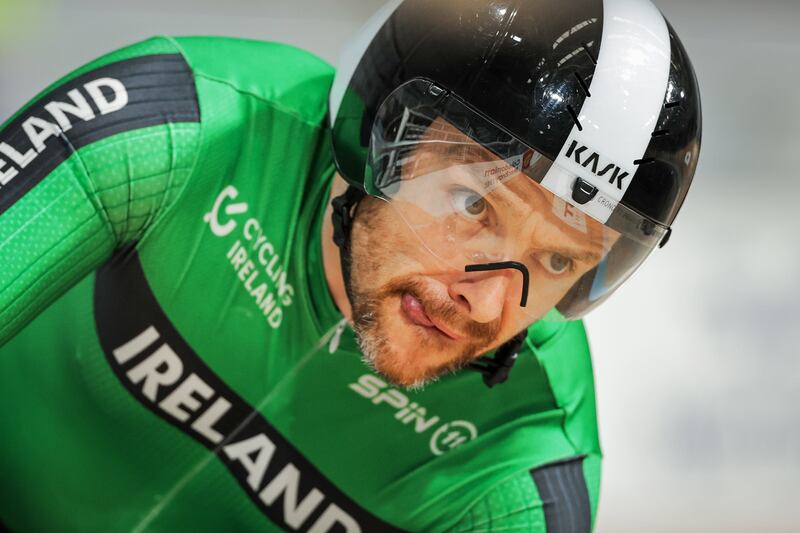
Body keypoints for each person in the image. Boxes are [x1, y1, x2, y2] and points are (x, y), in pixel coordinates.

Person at [0, 0, 701, 531]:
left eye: (555, 257)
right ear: (376, 133)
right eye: (473, 205)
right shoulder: (177, 134)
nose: (486, 304)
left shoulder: (525, 455)